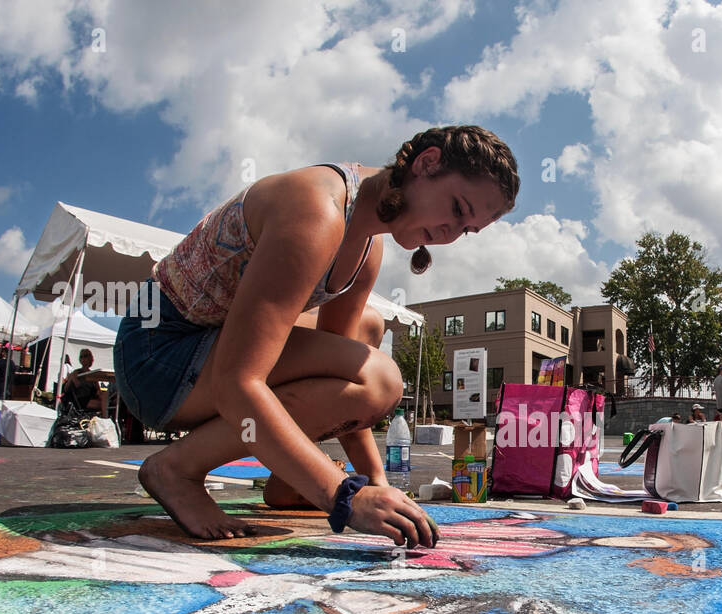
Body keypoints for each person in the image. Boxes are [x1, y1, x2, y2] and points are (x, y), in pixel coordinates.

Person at [113, 125, 519, 543]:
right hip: (154, 359)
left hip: (203, 348)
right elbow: (239, 382)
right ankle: (176, 468)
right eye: (456, 207)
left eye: (466, 229)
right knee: (380, 378)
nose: (450, 233)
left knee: (365, 330)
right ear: (426, 163)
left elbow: (340, 388)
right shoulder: (317, 210)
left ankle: (289, 478)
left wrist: (375, 480)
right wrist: (342, 497)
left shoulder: (366, 246)